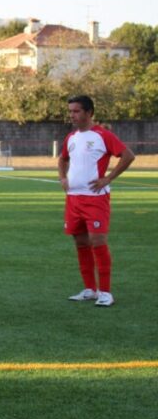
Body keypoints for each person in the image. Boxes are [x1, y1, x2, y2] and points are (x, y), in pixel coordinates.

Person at [59, 94, 135, 307]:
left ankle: (106, 292)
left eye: (76, 111)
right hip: (73, 199)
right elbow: (62, 159)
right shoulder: (71, 137)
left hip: (95, 200)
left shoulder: (102, 135)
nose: (72, 115)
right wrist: (63, 178)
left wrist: (108, 178)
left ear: (89, 112)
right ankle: (90, 289)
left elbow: (128, 155)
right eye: (70, 111)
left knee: (98, 242)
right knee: (81, 242)